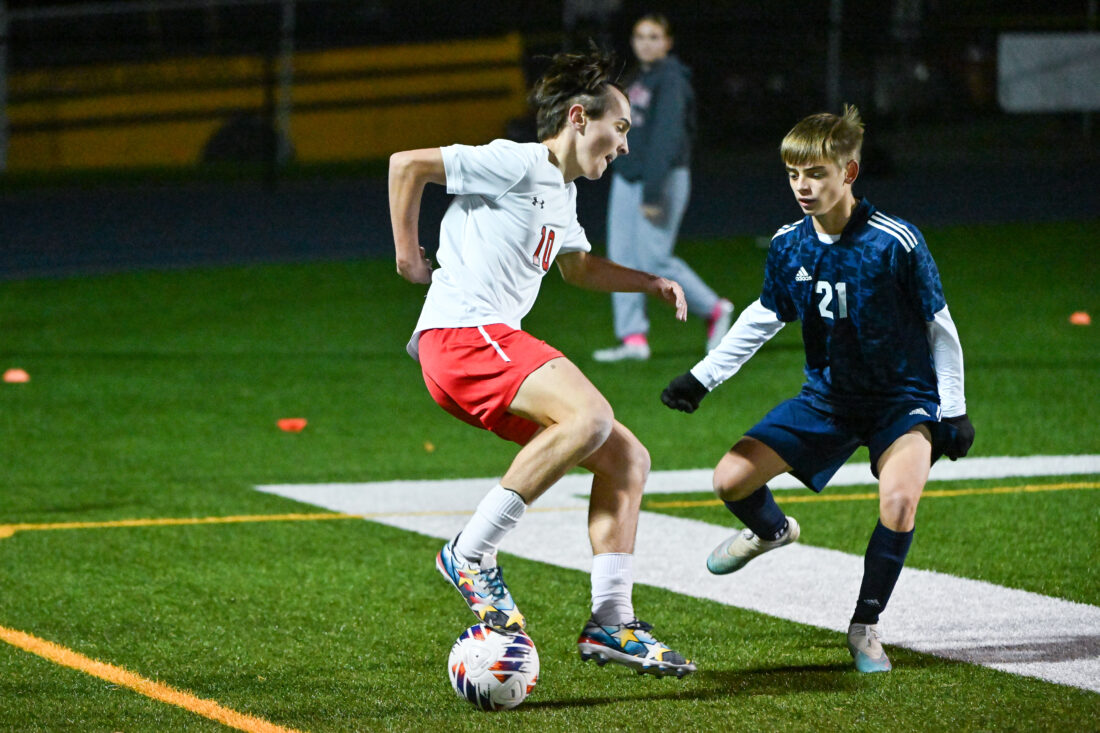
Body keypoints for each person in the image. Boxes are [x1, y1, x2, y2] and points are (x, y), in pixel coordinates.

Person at [389, 46, 696, 678]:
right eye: (621, 128)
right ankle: (469, 553)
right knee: (590, 415)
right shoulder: (519, 162)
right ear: (580, 118)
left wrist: (649, 282)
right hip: (464, 334)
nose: (625, 146)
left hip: (480, 349)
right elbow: (407, 164)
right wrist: (408, 258)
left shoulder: (561, 194)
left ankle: (612, 621)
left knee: (626, 459)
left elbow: (579, 268)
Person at [659, 105, 975, 673]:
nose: (803, 187)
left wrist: (952, 411)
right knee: (729, 480)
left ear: (849, 173)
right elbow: (764, 316)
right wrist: (703, 377)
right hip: (826, 400)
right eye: (793, 175)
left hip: (901, 401)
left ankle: (865, 626)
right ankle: (773, 531)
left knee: (900, 501)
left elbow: (940, 329)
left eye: (817, 174)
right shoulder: (788, 244)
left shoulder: (895, 242)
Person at [593, 13, 733, 362]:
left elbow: (666, 141)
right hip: (629, 176)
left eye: (654, 37)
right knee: (621, 260)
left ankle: (714, 309)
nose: (646, 43)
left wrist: (653, 192)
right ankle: (633, 339)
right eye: (640, 36)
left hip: (661, 179)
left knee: (653, 258)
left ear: (668, 42)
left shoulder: (671, 80)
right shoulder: (641, 75)